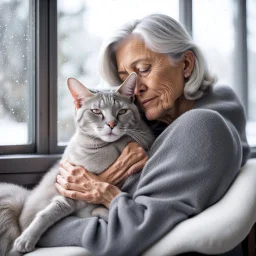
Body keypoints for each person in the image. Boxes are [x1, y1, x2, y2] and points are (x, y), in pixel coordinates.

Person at [37, 14, 251, 255]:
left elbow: (125, 235)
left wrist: (46, 228)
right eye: (125, 78)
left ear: (187, 65)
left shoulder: (202, 128)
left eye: (144, 69)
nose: (135, 88)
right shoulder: (153, 121)